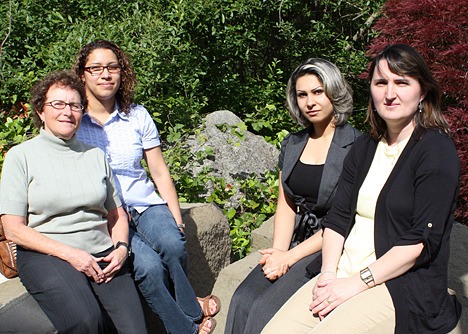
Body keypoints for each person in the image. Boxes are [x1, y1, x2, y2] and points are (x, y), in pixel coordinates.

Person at [262, 44, 462, 333]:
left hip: (397, 284)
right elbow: (338, 219)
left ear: (423, 92)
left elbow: (419, 242)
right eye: (381, 83)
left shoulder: (435, 150)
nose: (389, 93)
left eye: (401, 82)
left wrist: (353, 285)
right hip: (342, 273)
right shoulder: (365, 147)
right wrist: (328, 275)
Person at [74, 40, 220, 334]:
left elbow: (159, 171)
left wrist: (177, 218)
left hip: (144, 203)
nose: (105, 74)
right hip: (107, 215)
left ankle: (190, 306)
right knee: (149, 268)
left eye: (112, 67)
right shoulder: (73, 120)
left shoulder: (136, 115)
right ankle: (189, 324)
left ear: (121, 72)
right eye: (96, 68)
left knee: (172, 244)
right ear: (82, 75)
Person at [0, 70, 147, 333]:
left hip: (102, 253)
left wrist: (122, 249)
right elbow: (13, 228)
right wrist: (72, 255)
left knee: (134, 329)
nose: (67, 111)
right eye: (57, 103)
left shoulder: (96, 156)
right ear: (41, 111)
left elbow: (117, 215)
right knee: (86, 321)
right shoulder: (20, 157)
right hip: (46, 254)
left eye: (75, 105)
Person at [225, 58, 361, 334]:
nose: (310, 101)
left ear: (334, 91)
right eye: (302, 94)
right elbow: (285, 202)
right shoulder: (294, 143)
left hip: (331, 245)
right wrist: (278, 251)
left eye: (318, 92)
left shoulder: (357, 146)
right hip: (297, 240)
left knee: (265, 310)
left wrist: (289, 258)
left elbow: (343, 219)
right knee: (241, 300)